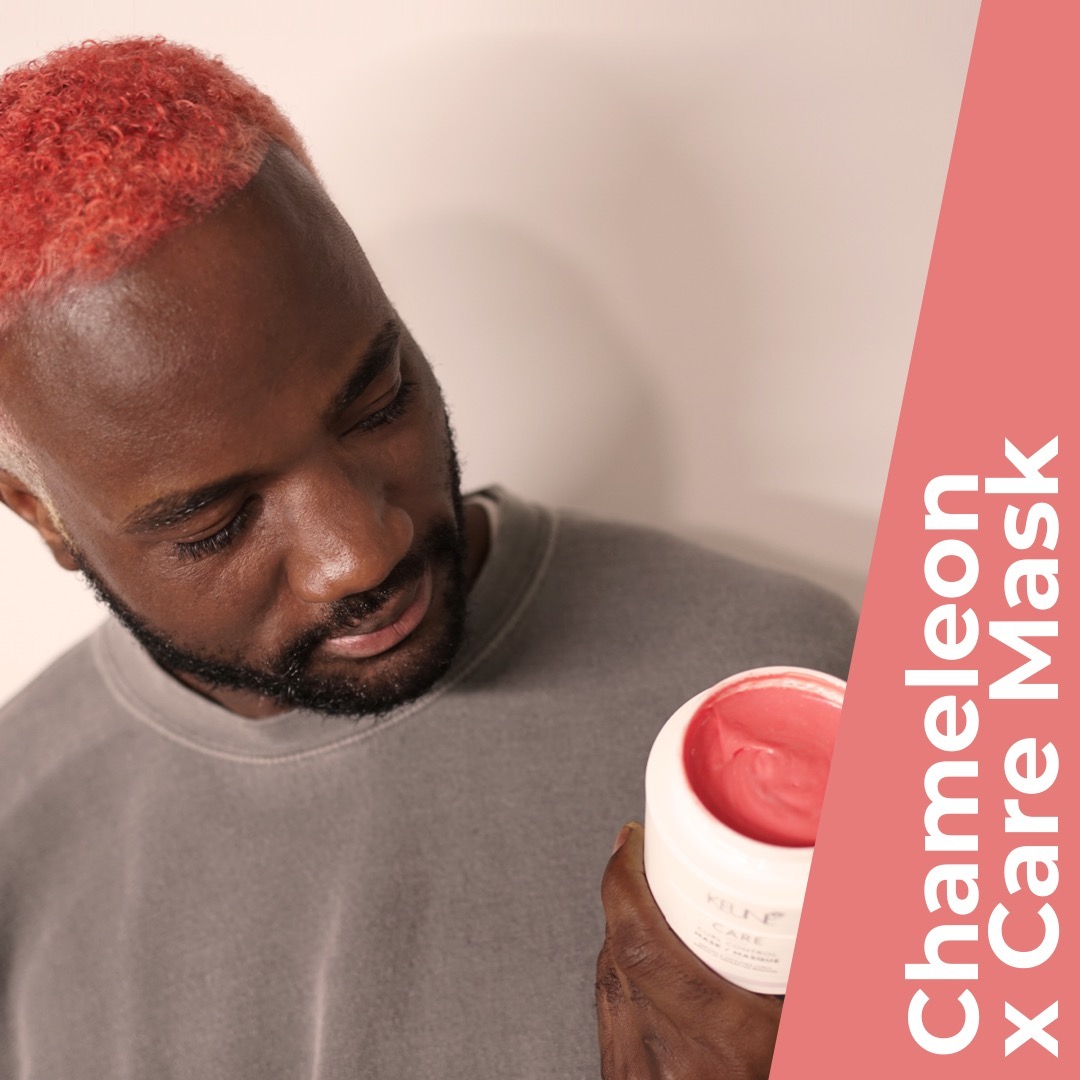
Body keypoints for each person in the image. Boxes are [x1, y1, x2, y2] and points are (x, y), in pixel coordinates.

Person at [0, 37, 855, 1078]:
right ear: (39, 511)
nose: (361, 553)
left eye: (378, 403)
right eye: (217, 522)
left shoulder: (796, 697)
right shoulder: (19, 830)